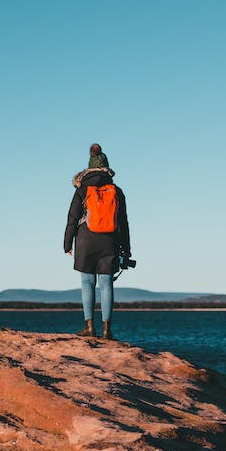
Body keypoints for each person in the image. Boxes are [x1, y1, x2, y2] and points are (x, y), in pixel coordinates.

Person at [64, 143, 130, 340]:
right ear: (107, 168)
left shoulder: (82, 189)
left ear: (88, 168)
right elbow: (123, 223)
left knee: (87, 282)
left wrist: (67, 243)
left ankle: (89, 328)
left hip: (85, 239)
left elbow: (72, 218)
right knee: (106, 284)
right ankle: (107, 331)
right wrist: (126, 249)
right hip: (109, 240)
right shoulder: (116, 191)